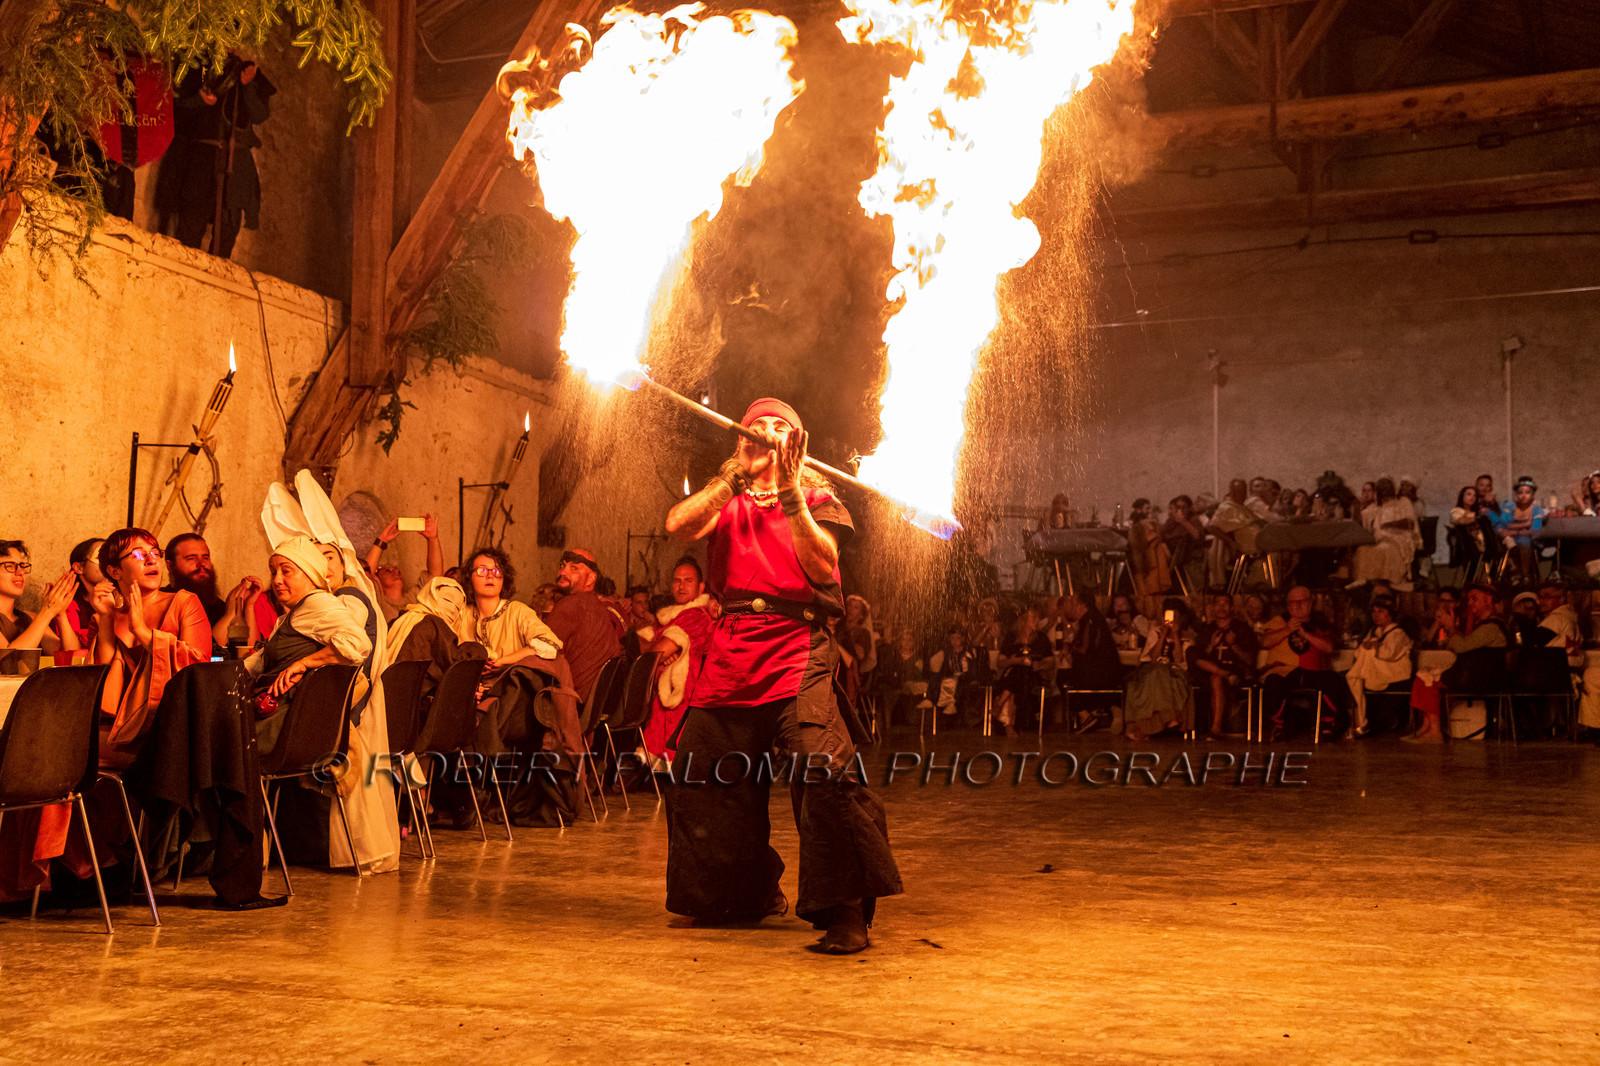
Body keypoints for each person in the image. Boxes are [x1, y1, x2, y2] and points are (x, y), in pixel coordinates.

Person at [662, 397, 902, 955]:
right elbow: (678, 527)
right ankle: (736, 895)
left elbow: (821, 566)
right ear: (741, 438)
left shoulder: (821, 497)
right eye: (756, 426)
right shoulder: (727, 496)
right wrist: (731, 478)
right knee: (703, 770)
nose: (766, 433)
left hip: (799, 644)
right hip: (731, 650)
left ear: (797, 443)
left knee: (822, 766)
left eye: (779, 426)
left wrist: (793, 494)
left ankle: (844, 911)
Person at [92, 529, 212, 767]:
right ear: (114, 571)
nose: (150, 559)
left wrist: (143, 633)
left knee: (67, 752)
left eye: (155, 553)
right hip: (121, 724)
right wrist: (105, 619)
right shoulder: (110, 614)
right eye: (138, 555)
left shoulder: (184, 603)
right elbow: (101, 686)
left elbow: (199, 671)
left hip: (173, 726)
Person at [246, 537, 374, 757]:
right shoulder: (292, 614)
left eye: (286, 571)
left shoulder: (316, 603)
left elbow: (358, 643)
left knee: (211, 743)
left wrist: (305, 663)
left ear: (310, 573)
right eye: (273, 571)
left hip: (288, 728)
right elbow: (257, 662)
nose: (276, 580)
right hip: (289, 723)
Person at [155, 54, 276, 257]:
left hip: (235, 167)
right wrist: (199, 101)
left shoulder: (250, 74)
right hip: (201, 161)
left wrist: (246, 86)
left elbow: (260, 115)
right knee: (191, 222)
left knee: (227, 228)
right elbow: (177, 106)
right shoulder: (199, 65)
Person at [637, 558, 716, 764]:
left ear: (700, 587)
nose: (681, 586)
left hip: (683, 704)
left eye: (688, 581)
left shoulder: (695, 616)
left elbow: (655, 653)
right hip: (667, 706)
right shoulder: (672, 617)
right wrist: (656, 652)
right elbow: (645, 648)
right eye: (677, 580)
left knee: (677, 764)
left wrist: (659, 654)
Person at [1407, 584, 1507, 743]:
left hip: (1480, 678)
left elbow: (1461, 646)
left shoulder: (1492, 627)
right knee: (1422, 679)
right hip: (1471, 673)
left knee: (1430, 681)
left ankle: (1435, 731)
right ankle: (1427, 726)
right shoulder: (1479, 625)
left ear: (1489, 601)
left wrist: (1450, 627)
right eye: (1469, 599)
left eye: (1475, 599)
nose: (1470, 603)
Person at [1258, 586, 1344, 740]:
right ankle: (1278, 727)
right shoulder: (1278, 621)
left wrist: (1306, 634)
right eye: (1293, 602)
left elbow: (1329, 647)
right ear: (1288, 605)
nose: (1298, 606)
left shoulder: (1320, 624)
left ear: (1311, 603)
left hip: (1311, 672)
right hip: (1283, 671)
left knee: (1333, 680)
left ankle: (1326, 726)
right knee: (1273, 682)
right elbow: (1266, 641)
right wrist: (1288, 629)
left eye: (1302, 601)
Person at [544, 548, 626, 703]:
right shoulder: (598, 605)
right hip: (598, 703)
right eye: (562, 565)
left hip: (572, 703)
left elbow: (544, 652)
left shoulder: (569, 605)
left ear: (590, 579)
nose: (563, 572)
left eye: (574, 568)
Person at [166, 532, 265, 654]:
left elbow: (251, 653)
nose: (201, 564)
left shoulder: (217, 606)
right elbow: (202, 654)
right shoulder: (163, 603)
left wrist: (248, 607)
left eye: (205, 557)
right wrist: (229, 616)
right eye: (191, 558)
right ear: (170, 566)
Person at [384, 576, 477, 702]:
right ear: (431, 595)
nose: (452, 609)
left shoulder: (401, 619)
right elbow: (455, 665)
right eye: (447, 600)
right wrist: (481, 652)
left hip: (389, 696)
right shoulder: (433, 623)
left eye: (458, 607)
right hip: (409, 704)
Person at [1123, 599, 1195, 742]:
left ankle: (1140, 729)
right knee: (1150, 678)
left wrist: (1175, 636)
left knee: (1160, 675)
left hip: (1174, 672)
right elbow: (1152, 658)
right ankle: (1168, 717)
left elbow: (1180, 660)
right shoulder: (1155, 632)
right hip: (1153, 670)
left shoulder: (1187, 638)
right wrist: (1162, 636)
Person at [1189, 591, 1257, 739]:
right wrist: (1211, 646)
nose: (1221, 607)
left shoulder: (1242, 629)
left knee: (1216, 678)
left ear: (1231, 607)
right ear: (1212, 607)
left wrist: (1233, 645)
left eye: (1225, 603)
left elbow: (1250, 660)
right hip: (1209, 672)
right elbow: (1198, 658)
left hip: (1235, 670)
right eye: (1218, 604)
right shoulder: (1207, 630)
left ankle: (1215, 728)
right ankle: (1224, 673)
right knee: (1195, 657)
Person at [1344, 594, 1413, 737]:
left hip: (1395, 676)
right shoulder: (1374, 631)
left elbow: (1388, 654)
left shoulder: (1398, 633)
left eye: (1380, 612)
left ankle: (1361, 721)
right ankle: (1359, 721)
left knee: (1362, 661)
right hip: (1378, 672)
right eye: (1374, 612)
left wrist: (1373, 647)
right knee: (1360, 661)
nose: (1376, 615)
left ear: (1390, 613)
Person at [0, 540, 79, 662]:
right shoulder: (40, 618)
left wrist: (60, 614)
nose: (20, 572)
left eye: (22, 566)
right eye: (9, 566)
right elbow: (10, 661)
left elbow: (72, 656)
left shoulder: (30, 618)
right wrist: (47, 611)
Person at [365, 513, 447, 623]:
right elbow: (364, 576)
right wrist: (382, 540)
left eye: (397, 570)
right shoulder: (378, 600)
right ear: (378, 580)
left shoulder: (413, 599)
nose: (395, 571)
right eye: (388, 570)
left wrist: (433, 539)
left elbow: (435, 576)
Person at [993, 606, 1052, 738]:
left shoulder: (1041, 638)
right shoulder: (1011, 637)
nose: (1037, 621)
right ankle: (1009, 725)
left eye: (1038, 617)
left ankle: (1001, 705)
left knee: (1019, 673)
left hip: (1033, 676)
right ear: (1023, 621)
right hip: (1015, 676)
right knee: (1018, 671)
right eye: (1034, 618)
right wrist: (1013, 661)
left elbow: (1051, 661)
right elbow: (1000, 663)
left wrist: (1041, 665)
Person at [1349, 478, 1417, 591]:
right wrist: (1356, 507)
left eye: (1386, 488)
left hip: (1398, 539)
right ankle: (1363, 579)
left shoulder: (1402, 502)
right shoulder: (1377, 508)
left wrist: (1389, 525)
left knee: (1385, 549)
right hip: (1379, 540)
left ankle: (1389, 581)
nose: (1384, 491)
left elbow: (1410, 522)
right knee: (1363, 550)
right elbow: (1362, 519)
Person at [1493, 476, 1546, 586]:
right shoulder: (1509, 506)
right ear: (1516, 494)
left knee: (1524, 545)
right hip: (1508, 541)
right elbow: (1503, 523)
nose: (1523, 495)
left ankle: (1525, 576)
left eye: (1527, 492)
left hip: (1527, 541)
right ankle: (1514, 575)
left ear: (1532, 494)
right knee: (1508, 544)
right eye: (1520, 492)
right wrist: (1525, 525)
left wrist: (1514, 531)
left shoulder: (1535, 509)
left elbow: (1536, 530)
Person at [60, 537, 105, 646]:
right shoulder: (67, 606)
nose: (107, 563)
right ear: (79, 567)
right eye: (100, 557)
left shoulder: (121, 601)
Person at [1449, 486, 1487, 576]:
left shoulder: (1479, 512)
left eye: (1474, 495)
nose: (1472, 497)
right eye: (1469, 494)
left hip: (1484, 542)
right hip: (1469, 546)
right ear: (1462, 496)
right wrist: (1476, 517)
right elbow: (1459, 520)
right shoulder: (1456, 511)